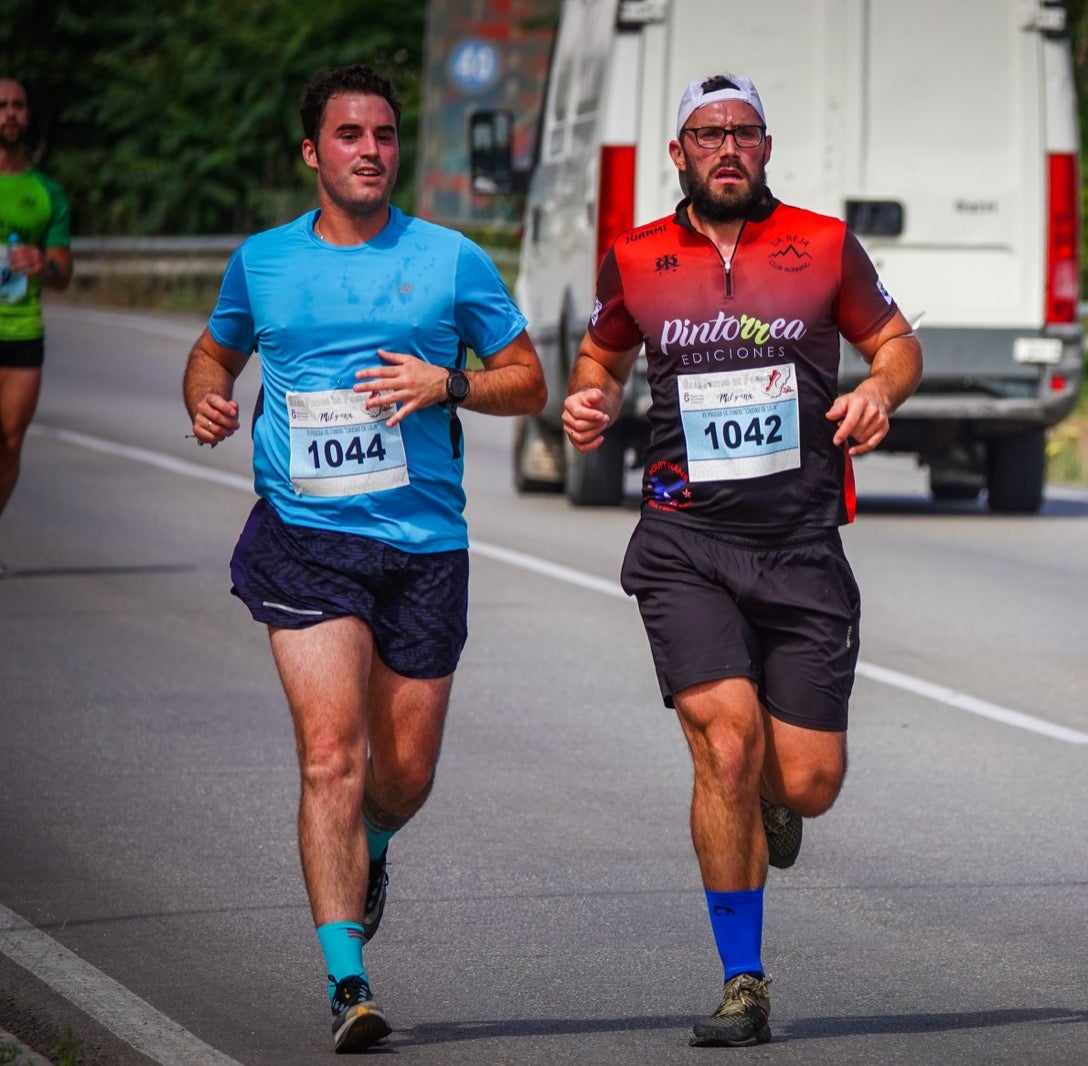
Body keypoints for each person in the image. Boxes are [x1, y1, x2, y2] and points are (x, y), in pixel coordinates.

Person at [182, 64, 546, 1053]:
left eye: (384, 135)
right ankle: (349, 982)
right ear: (312, 152)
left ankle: (372, 845)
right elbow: (215, 354)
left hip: (424, 546)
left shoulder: (451, 260)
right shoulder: (262, 262)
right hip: (306, 537)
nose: (371, 152)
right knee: (331, 756)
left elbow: (529, 382)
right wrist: (205, 396)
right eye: (350, 135)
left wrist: (450, 383)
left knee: (406, 772)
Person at [563, 74, 921, 1047]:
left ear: (766, 148)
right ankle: (743, 979)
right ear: (676, 153)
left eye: (744, 132)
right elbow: (601, 356)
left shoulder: (822, 247)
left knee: (804, 781)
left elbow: (894, 343)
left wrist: (882, 389)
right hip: (685, 540)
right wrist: (588, 397)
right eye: (707, 133)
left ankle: (776, 799)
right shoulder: (636, 257)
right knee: (725, 742)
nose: (727, 147)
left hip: (801, 542)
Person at [0, 77, 72, 575]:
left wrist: (40, 260)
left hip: (24, 332)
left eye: (18, 106)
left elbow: (64, 272)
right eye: (1, 105)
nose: (10, 113)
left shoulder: (47, 193)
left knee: (9, 442)